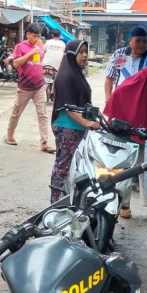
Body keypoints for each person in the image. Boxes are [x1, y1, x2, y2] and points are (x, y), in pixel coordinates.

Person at [103, 63, 147, 219]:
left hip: (145, 137)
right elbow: (115, 101)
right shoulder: (127, 88)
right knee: (125, 171)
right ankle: (124, 205)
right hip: (125, 136)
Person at [48, 40, 100, 203]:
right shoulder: (66, 76)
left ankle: (69, 198)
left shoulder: (77, 73)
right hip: (67, 127)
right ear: (71, 55)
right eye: (81, 52)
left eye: (86, 51)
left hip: (76, 127)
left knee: (75, 166)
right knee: (62, 165)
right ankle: (54, 201)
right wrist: (87, 123)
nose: (85, 55)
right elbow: (68, 108)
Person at [6, 22, 53, 152]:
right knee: (16, 112)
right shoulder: (20, 47)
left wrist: (37, 50)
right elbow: (16, 63)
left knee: (42, 114)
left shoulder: (40, 46)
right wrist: (31, 52)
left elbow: (39, 63)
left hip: (39, 85)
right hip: (25, 86)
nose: (36, 39)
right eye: (34, 36)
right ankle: (10, 135)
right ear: (27, 34)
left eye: (38, 36)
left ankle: (44, 142)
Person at [103, 26, 147, 101]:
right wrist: (108, 100)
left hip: (143, 104)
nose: (141, 44)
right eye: (138, 41)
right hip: (120, 101)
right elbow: (109, 78)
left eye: (144, 41)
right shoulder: (119, 54)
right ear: (130, 41)